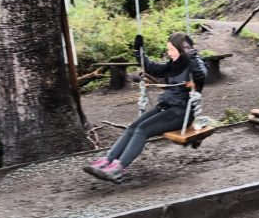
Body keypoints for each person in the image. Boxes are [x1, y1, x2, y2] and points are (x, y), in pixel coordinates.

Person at [83, 32, 208, 183]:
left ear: (183, 49)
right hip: (166, 108)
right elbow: (152, 68)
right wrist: (138, 52)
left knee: (142, 130)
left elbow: (202, 75)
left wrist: (192, 56)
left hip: (181, 113)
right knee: (133, 127)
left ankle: (118, 169)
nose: (169, 53)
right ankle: (108, 161)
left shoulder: (195, 63)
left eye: (172, 50)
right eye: (168, 49)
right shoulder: (173, 65)